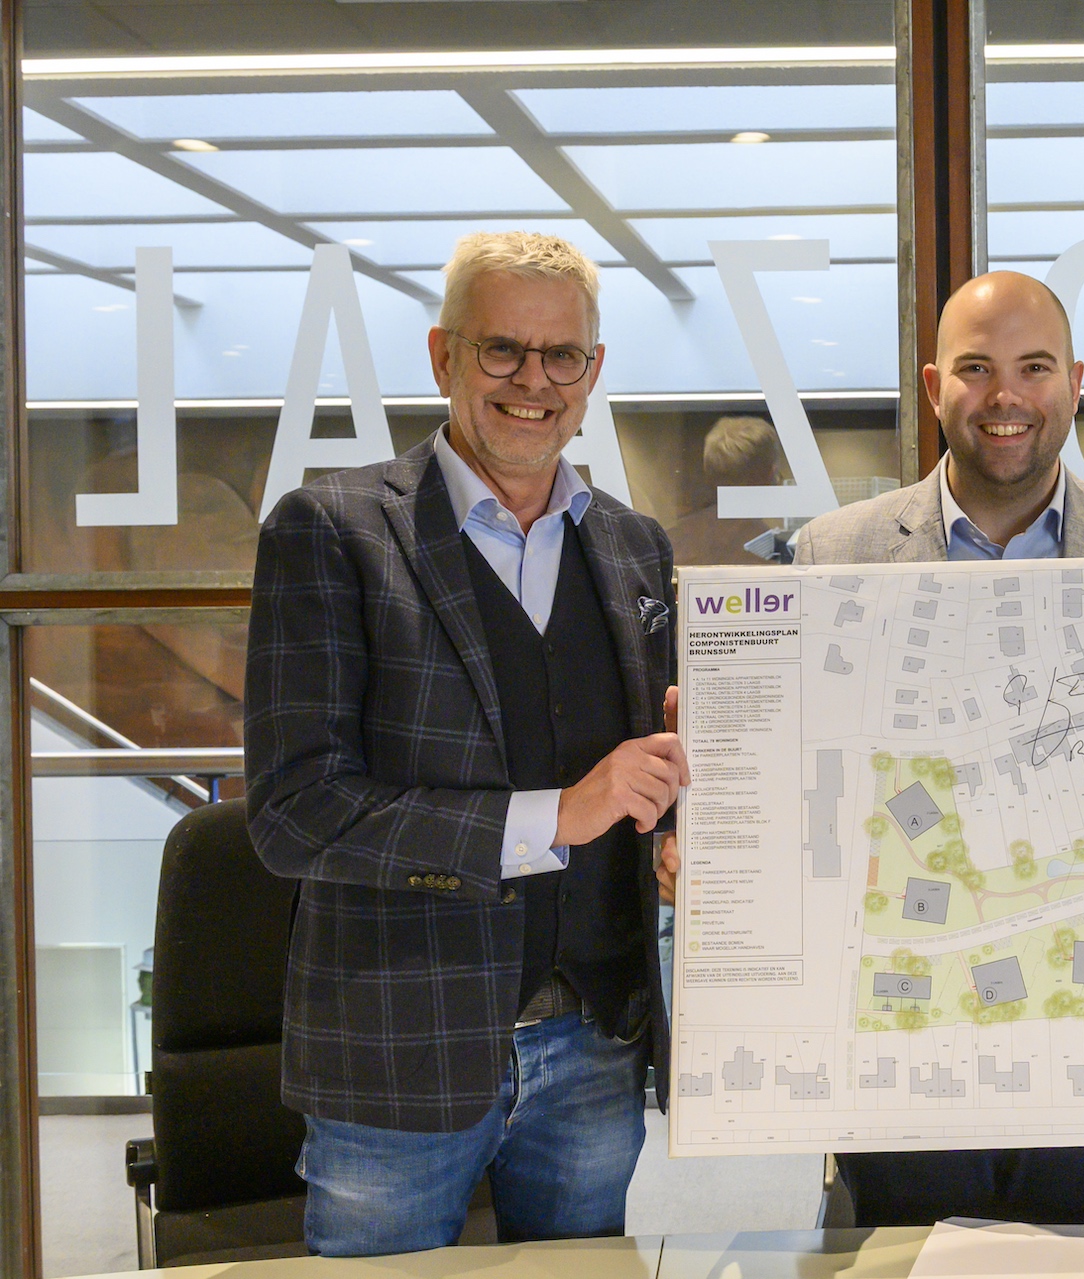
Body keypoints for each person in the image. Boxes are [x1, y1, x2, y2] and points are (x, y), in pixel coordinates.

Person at [245, 231, 689, 1256]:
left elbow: (649, 776)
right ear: (444, 356)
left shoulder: (635, 546)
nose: (533, 381)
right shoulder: (331, 530)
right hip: (397, 1055)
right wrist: (555, 816)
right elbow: (293, 813)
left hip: (595, 1045)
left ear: (593, 371)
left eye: (561, 355)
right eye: (502, 350)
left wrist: (684, 833)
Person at [790, 270, 1084, 1226]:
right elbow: (811, 779)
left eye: (1035, 367)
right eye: (976, 368)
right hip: (906, 1032)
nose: (1005, 395)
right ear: (935, 387)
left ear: (1075, 383)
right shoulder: (835, 555)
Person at [665, 415, 784, 566]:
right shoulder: (771, 552)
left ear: (709, 472)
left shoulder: (671, 542)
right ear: (767, 476)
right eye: (776, 477)